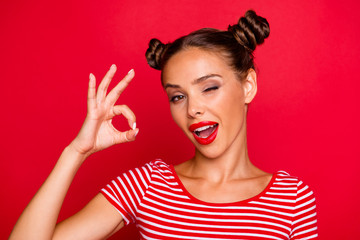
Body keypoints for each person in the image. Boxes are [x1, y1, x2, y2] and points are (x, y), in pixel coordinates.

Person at [9, 10, 318, 240]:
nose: (193, 109)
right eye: (178, 97)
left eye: (209, 87)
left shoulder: (292, 199)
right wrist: (76, 151)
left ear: (248, 86)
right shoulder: (148, 185)